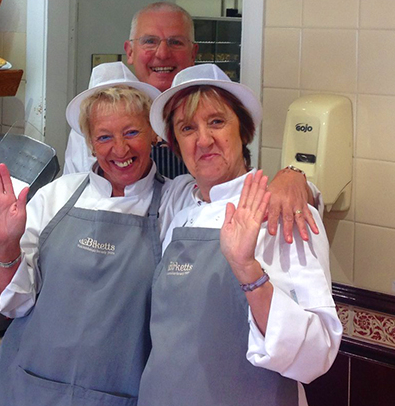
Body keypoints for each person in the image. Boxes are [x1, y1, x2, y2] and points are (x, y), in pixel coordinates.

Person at [137, 64, 341, 405]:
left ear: (243, 131)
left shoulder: (281, 212)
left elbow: (315, 355)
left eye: (217, 121)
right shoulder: (177, 206)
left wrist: (248, 270)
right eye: (187, 128)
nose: (203, 140)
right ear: (175, 144)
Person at [0, 62, 165, 406]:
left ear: (154, 133)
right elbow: (14, 306)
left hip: (122, 393)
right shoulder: (55, 196)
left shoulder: (174, 207)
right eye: (104, 137)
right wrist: (5, 244)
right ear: (91, 144)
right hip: (31, 387)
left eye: (132, 132)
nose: (119, 149)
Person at [64, 1, 322, 245]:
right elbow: (79, 197)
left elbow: (239, 186)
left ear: (193, 52)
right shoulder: (99, 122)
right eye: (149, 42)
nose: (162, 53)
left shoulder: (208, 115)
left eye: (175, 42)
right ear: (130, 51)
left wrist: (293, 177)